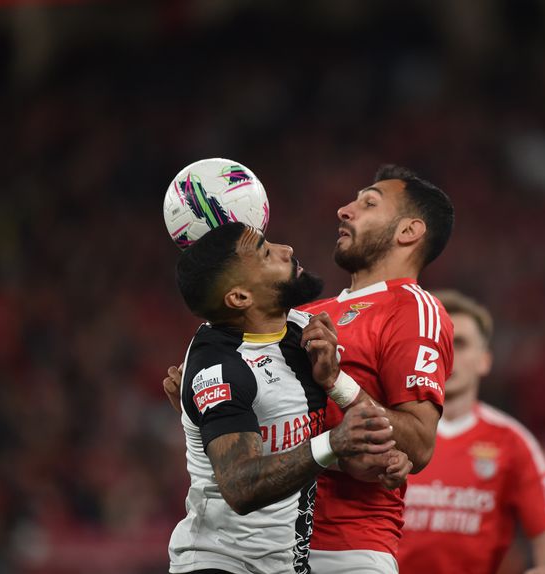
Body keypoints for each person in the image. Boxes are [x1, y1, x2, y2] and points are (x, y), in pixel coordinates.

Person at [165, 165, 456, 573]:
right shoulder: (302, 317)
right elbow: (276, 424)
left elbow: (418, 444)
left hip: (348, 549)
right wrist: (196, 405)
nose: (344, 210)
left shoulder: (413, 309)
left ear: (408, 231)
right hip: (278, 550)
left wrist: (338, 385)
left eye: (369, 203)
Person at [397, 290, 545, 574]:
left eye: (460, 344)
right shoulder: (394, 430)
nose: (449, 355)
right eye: (439, 344)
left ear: (484, 360)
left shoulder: (512, 441)